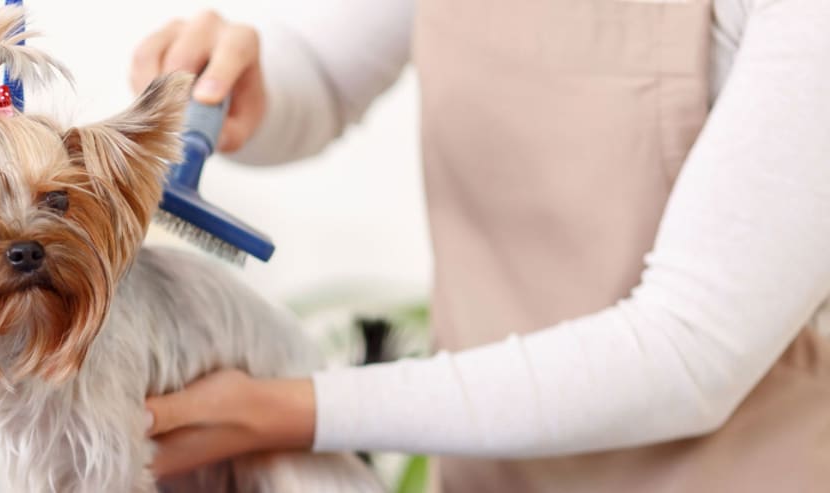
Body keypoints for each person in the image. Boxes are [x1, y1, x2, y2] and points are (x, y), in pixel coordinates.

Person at [131, 0, 830, 491]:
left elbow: (688, 353)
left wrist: (286, 409)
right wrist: (245, 88)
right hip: (485, 470)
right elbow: (325, 71)